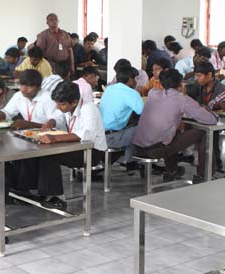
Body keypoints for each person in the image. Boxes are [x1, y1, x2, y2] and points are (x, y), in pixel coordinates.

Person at [30, 81, 109, 209]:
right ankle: (36, 189)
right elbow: (59, 118)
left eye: (61, 104)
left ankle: (57, 197)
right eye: (57, 103)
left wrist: (55, 138)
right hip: (76, 146)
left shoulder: (89, 108)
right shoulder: (68, 106)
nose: (58, 107)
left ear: (74, 102)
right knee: (40, 151)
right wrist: (52, 122)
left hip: (92, 151)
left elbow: (87, 134)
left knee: (50, 156)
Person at [133, 69, 219, 181]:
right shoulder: (181, 99)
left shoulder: (152, 93)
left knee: (173, 132)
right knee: (205, 132)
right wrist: (212, 113)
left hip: (138, 147)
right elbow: (210, 120)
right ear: (180, 83)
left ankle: (171, 171)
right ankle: (203, 175)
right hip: (155, 150)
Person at [99, 67, 145, 170]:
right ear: (130, 80)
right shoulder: (132, 93)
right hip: (113, 138)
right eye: (136, 79)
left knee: (132, 125)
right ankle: (135, 161)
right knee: (142, 127)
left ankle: (130, 162)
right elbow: (144, 113)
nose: (136, 82)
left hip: (100, 135)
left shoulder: (109, 89)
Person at [34, 13, 73, 78]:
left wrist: (72, 65)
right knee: (53, 82)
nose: (54, 21)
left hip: (64, 65)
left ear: (58, 21)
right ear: (47, 22)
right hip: (50, 64)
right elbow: (39, 52)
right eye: (51, 20)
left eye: (55, 19)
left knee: (65, 83)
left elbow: (70, 50)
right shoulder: (43, 35)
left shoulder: (65, 34)